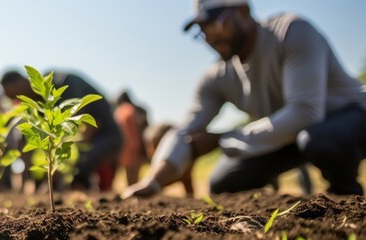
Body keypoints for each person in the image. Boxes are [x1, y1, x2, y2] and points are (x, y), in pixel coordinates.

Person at [124, 0, 366, 198]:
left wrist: (223, 139)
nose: (210, 37)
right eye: (203, 30)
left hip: (349, 116)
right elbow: (184, 131)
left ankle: (346, 198)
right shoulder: (217, 77)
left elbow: (304, 113)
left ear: (243, 11)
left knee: (321, 140)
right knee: (224, 182)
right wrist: (152, 182)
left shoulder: (291, 32)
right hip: (291, 136)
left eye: (214, 24)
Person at [1, 71, 123, 192]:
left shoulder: (63, 82)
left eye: (16, 95)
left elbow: (80, 130)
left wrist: (54, 177)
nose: (19, 101)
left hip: (107, 136)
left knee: (80, 165)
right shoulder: (36, 102)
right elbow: (30, 140)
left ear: (22, 82)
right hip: (87, 140)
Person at [115, 91, 147, 186]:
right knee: (134, 177)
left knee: (129, 176)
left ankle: (133, 195)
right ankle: (136, 196)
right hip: (135, 145)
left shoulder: (120, 111)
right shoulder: (132, 109)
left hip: (125, 146)